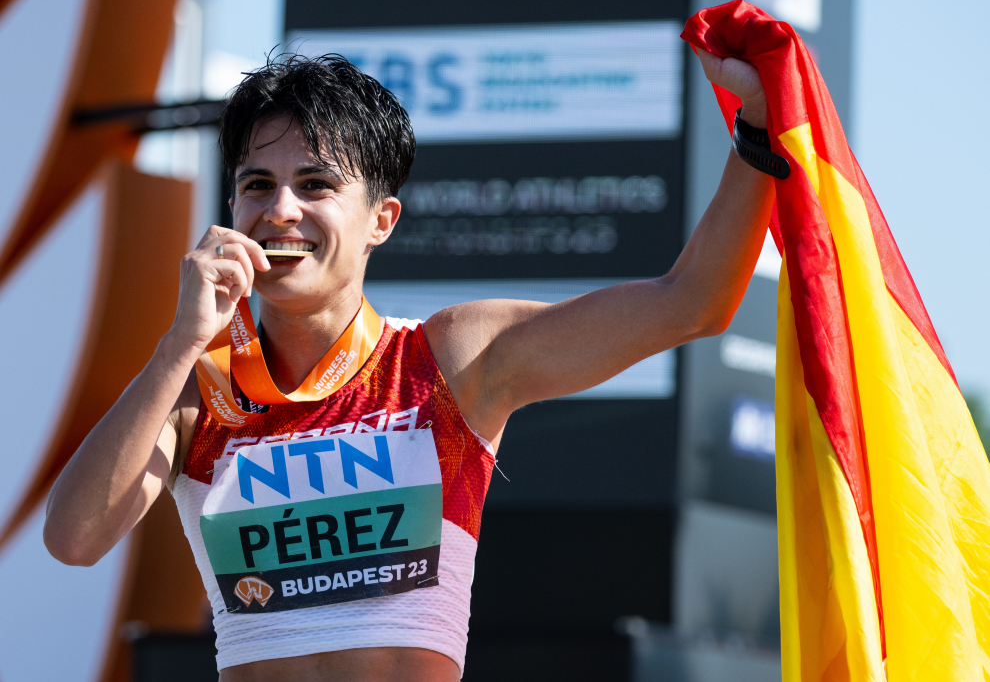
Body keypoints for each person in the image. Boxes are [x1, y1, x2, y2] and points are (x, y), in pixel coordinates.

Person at [43, 48, 773, 682]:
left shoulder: (452, 359)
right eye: (257, 184)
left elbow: (692, 303)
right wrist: (179, 344)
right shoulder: (198, 390)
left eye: (316, 185)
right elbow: (74, 540)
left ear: (380, 221)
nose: (282, 210)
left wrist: (760, 133)